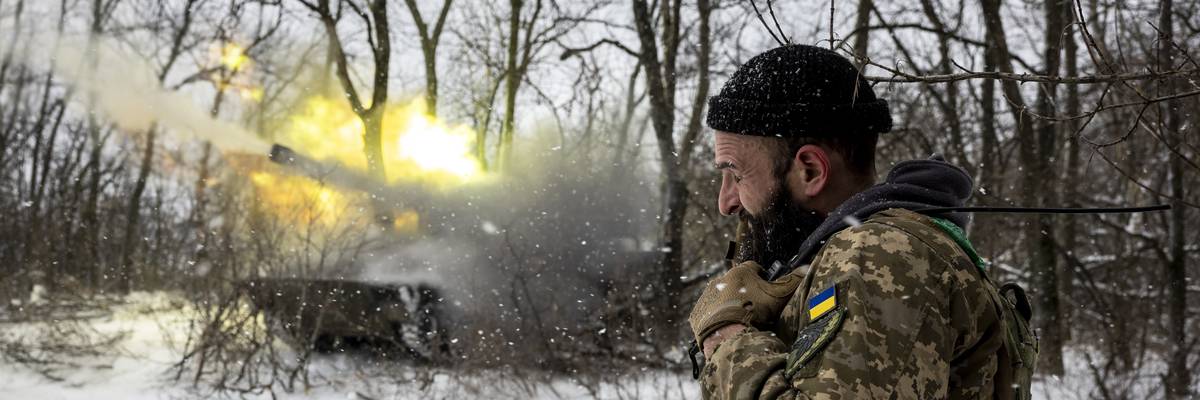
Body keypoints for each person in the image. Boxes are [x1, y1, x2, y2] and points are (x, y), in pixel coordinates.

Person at [688, 44, 1033, 399]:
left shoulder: (880, 254)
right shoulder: (865, 250)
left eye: (735, 175)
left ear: (810, 170)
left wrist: (727, 340)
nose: (725, 202)